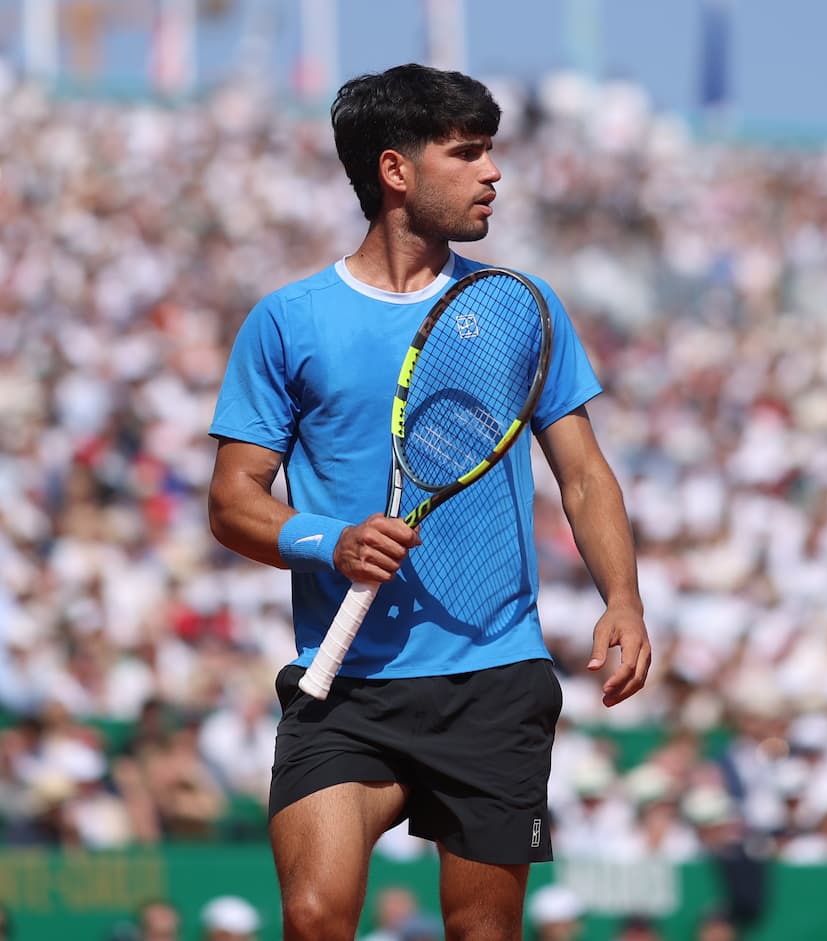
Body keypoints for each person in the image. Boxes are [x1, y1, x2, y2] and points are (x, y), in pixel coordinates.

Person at [207, 62, 651, 941]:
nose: (493, 172)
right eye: (468, 152)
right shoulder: (288, 321)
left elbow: (586, 474)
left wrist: (625, 598)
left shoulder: (521, 307)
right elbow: (232, 501)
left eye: (491, 151)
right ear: (395, 171)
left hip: (492, 679)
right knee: (313, 916)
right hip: (345, 688)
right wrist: (327, 541)